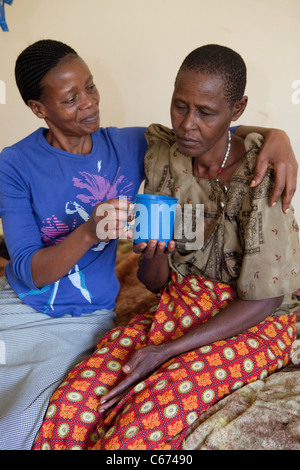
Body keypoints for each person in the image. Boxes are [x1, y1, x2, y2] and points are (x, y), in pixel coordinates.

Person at [0, 40, 297, 451]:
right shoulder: (161, 155)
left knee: (124, 428)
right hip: (149, 304)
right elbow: (154, 282)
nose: (187, 125)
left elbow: (264, 299)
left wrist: (276, 135)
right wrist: (133, 252)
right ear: (40, 108)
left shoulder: (250, 173)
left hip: (231, 316)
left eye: (90, 87)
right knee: (69, 409)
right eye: (179, 106)